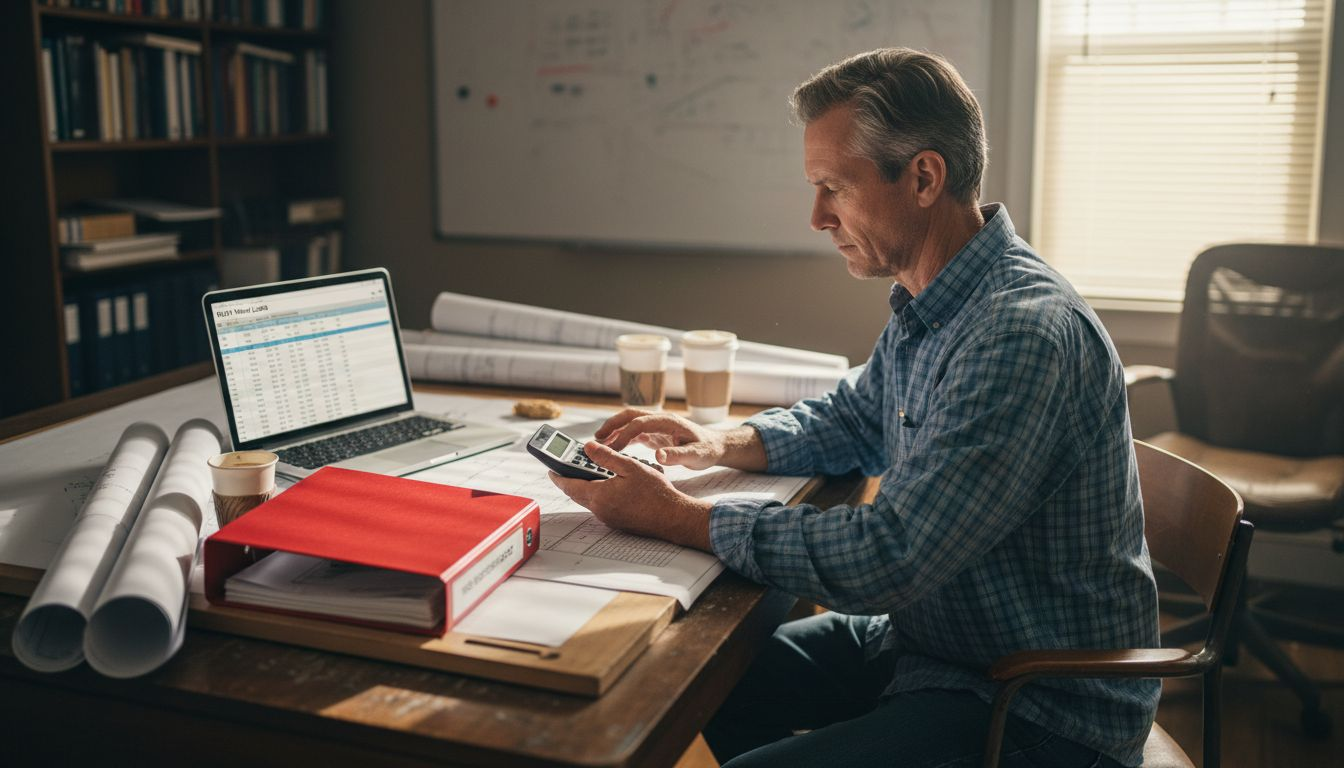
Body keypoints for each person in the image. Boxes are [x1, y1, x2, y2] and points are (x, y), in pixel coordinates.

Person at [549, 48, 1158, 768]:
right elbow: (854, 418)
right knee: (690, 683)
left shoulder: (1020, 333)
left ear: (923, 177)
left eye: (833, 187)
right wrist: (719, 442)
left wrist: (678, 515)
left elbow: (892, 555)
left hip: (1032, 704)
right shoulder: (935, 296)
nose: (815, 216)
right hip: (935, 644)